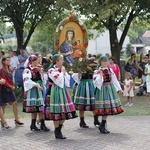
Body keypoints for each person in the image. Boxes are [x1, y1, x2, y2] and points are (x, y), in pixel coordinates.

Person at [43, 54, 77, 139]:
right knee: (56, 111)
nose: (62, 61)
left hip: (63, 91)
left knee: (65, 111)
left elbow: (66, 80)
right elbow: (58, 80)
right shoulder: (51, 70)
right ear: (56, 61)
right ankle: (57, 130)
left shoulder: (62, 69)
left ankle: (59, 129)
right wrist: (62, 71)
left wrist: (65, 73)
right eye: (61, 60)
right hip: (54, 91)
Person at [93, 55, 124, 134]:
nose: (105, 63)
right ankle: (101, 124)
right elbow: (96, 82)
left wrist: (119, 89)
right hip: (102, 90)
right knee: (104, 108)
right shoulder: (97, 71)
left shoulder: (109, 69)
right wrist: (100, 73)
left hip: (110, 89)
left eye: (106, 61)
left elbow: (114, 79)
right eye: (103, 61)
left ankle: (102, 124)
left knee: (108, 108)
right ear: (100, 62)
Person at [22, 55, 49, 131]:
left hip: (40, 88)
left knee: (41, 106)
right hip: (34, 89)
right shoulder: (27, 70)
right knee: (34, 107)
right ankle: (33, 124)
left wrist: (41, 72)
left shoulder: (39, 68)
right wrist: (36, 85)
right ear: (32, 62)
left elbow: (44, 80)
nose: (39, 62)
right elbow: (27, 80)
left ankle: (42, 124)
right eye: (37, 60)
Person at [0, 55, 24, 126]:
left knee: (14, 103)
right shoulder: (2, 70)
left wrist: (13, 85)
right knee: (4, 104)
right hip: (4, 89)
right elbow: (4, 81)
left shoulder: (9, 69)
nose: (9, 62)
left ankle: (16, 119)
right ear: (3, 61)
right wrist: (11, 86)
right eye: (7, 60)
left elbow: (10, 79)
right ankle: (3, 120)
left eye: (9, 60)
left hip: (10, 88)